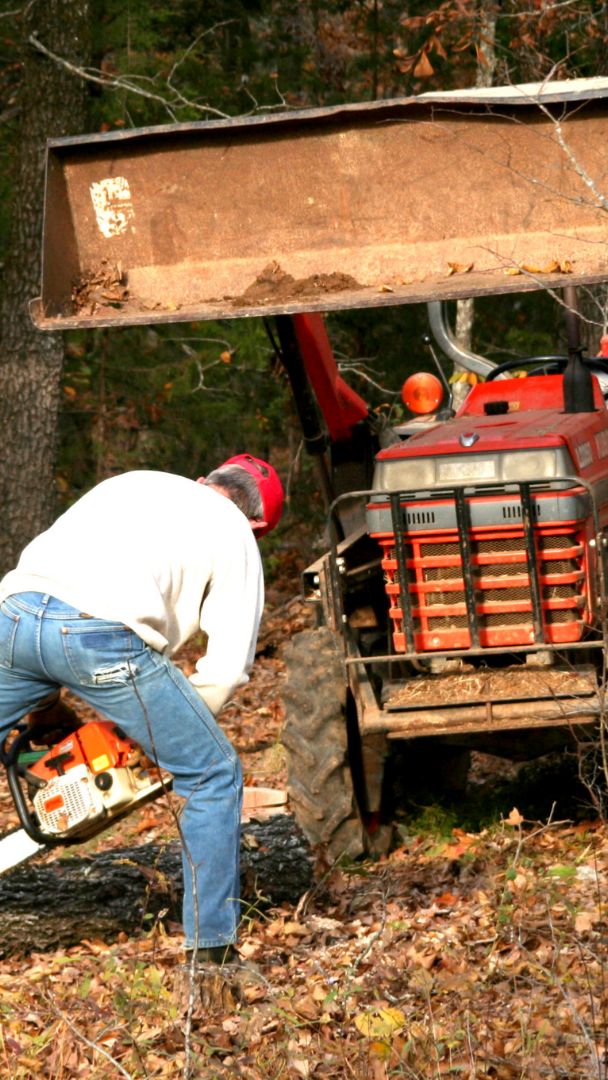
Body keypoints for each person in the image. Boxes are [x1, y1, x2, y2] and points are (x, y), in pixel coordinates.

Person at [0, 455, 284, 965]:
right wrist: (160, 741)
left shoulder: (137, 481)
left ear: (206, 480)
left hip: (13, 614)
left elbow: (54, 596)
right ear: (258, 524)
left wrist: (47, 711)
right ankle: (213, 957)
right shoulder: (236, 532)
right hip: (101, 637)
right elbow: (226, 671)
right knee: (213, 774)